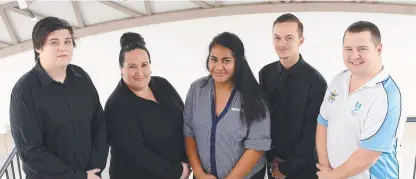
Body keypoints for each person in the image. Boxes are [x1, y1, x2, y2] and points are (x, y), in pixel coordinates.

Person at [9, 17, 108, 179]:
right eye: (54, 42)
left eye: (68, 42)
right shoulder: (24, 91)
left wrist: (95, 169)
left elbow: (99, 125)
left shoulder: (81, 77)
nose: (63, 48)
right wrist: (77, 176)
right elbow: (31, 151)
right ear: (38, 47)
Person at [316, 21, 406, 179]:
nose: (354, 55)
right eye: (348, 49)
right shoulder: (339, 80)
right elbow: (323, 123)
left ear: (379, 49)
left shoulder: (388, 95)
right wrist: (325, 168)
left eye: (362, 49)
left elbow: (368, 155)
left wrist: (332, 176)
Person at [183, 32, 271, 179]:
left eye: (226, 61)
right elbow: (189, 132)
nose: (218, 67)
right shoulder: (196, 90)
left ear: (238, 62)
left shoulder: (253, 96)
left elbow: (257, 147)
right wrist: (198, 173)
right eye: (214, 59)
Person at [105, 32, 191, 179]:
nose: (140, 72)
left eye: (144, 65)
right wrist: (178, 171)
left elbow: (185, 120)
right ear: (121, 69)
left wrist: (190, 160)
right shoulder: (116, 105)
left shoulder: (162, 85)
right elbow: (136, 154)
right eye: (132, 66)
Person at [259, 13, 327, 179]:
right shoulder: (265, 73)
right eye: (277, 37)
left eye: (289, 37)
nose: (282, 43)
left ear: (301, 40)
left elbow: (312, 132)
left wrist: (286, 168)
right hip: (272, 162)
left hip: (303, 167)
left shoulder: (316, 82)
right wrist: (270, 156)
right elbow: (262, 118)